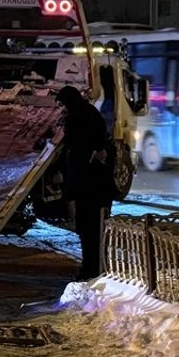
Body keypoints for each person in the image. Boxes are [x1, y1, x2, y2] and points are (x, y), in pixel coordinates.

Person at [56, 85, 114, 280]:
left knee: (90, 232)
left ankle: (92, 269)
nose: (62, 108)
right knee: (93, 232)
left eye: (63, 104)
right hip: (94, 190)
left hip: (89, 190)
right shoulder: (89, 113)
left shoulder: (78, 118)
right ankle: (94, 267)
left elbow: (76, 150)